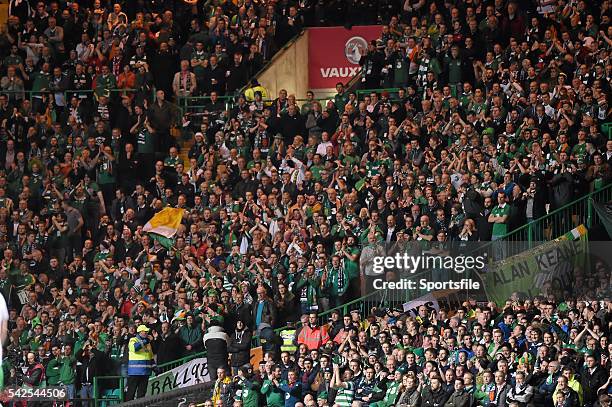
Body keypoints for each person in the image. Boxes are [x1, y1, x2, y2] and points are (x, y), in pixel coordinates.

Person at [125, 325, 154, 401]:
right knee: (131, 393)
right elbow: (135, 348)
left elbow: (150, 357)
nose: (147, 333)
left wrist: (155, 368)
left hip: (145, 372)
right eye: (145, 332)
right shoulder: (133, 340)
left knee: (141, 394)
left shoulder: (148, 343)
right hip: (135, 372)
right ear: (140, 332)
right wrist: (146, 341)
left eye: (147, 332)